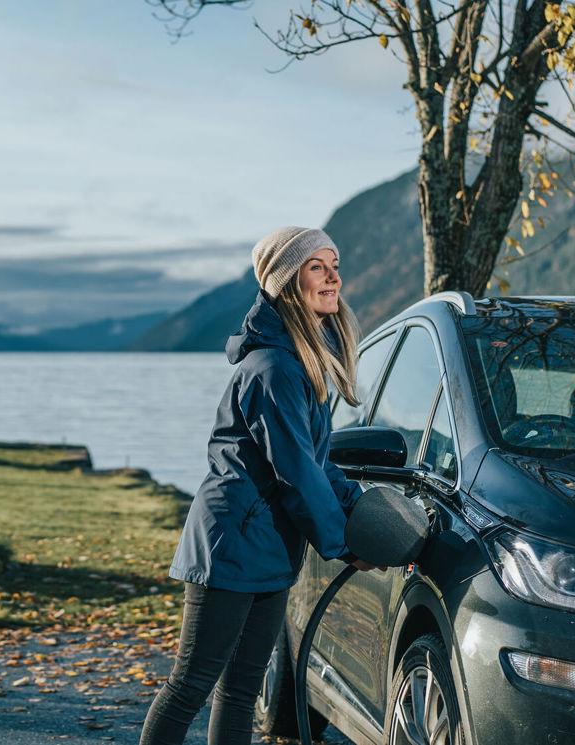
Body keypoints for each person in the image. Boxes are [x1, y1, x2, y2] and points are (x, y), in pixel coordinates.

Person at [140, 226, 382, 745]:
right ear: (287, 282)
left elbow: (318, 464)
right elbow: (296, 473)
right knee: (190, 685)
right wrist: (343, 544)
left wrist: (362, 511)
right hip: (232, 545)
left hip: (269, 548)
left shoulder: (299, 363)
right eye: (317, 266)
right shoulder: (274, 370)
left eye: (334, 263)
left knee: (242, 690)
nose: (333, 276)